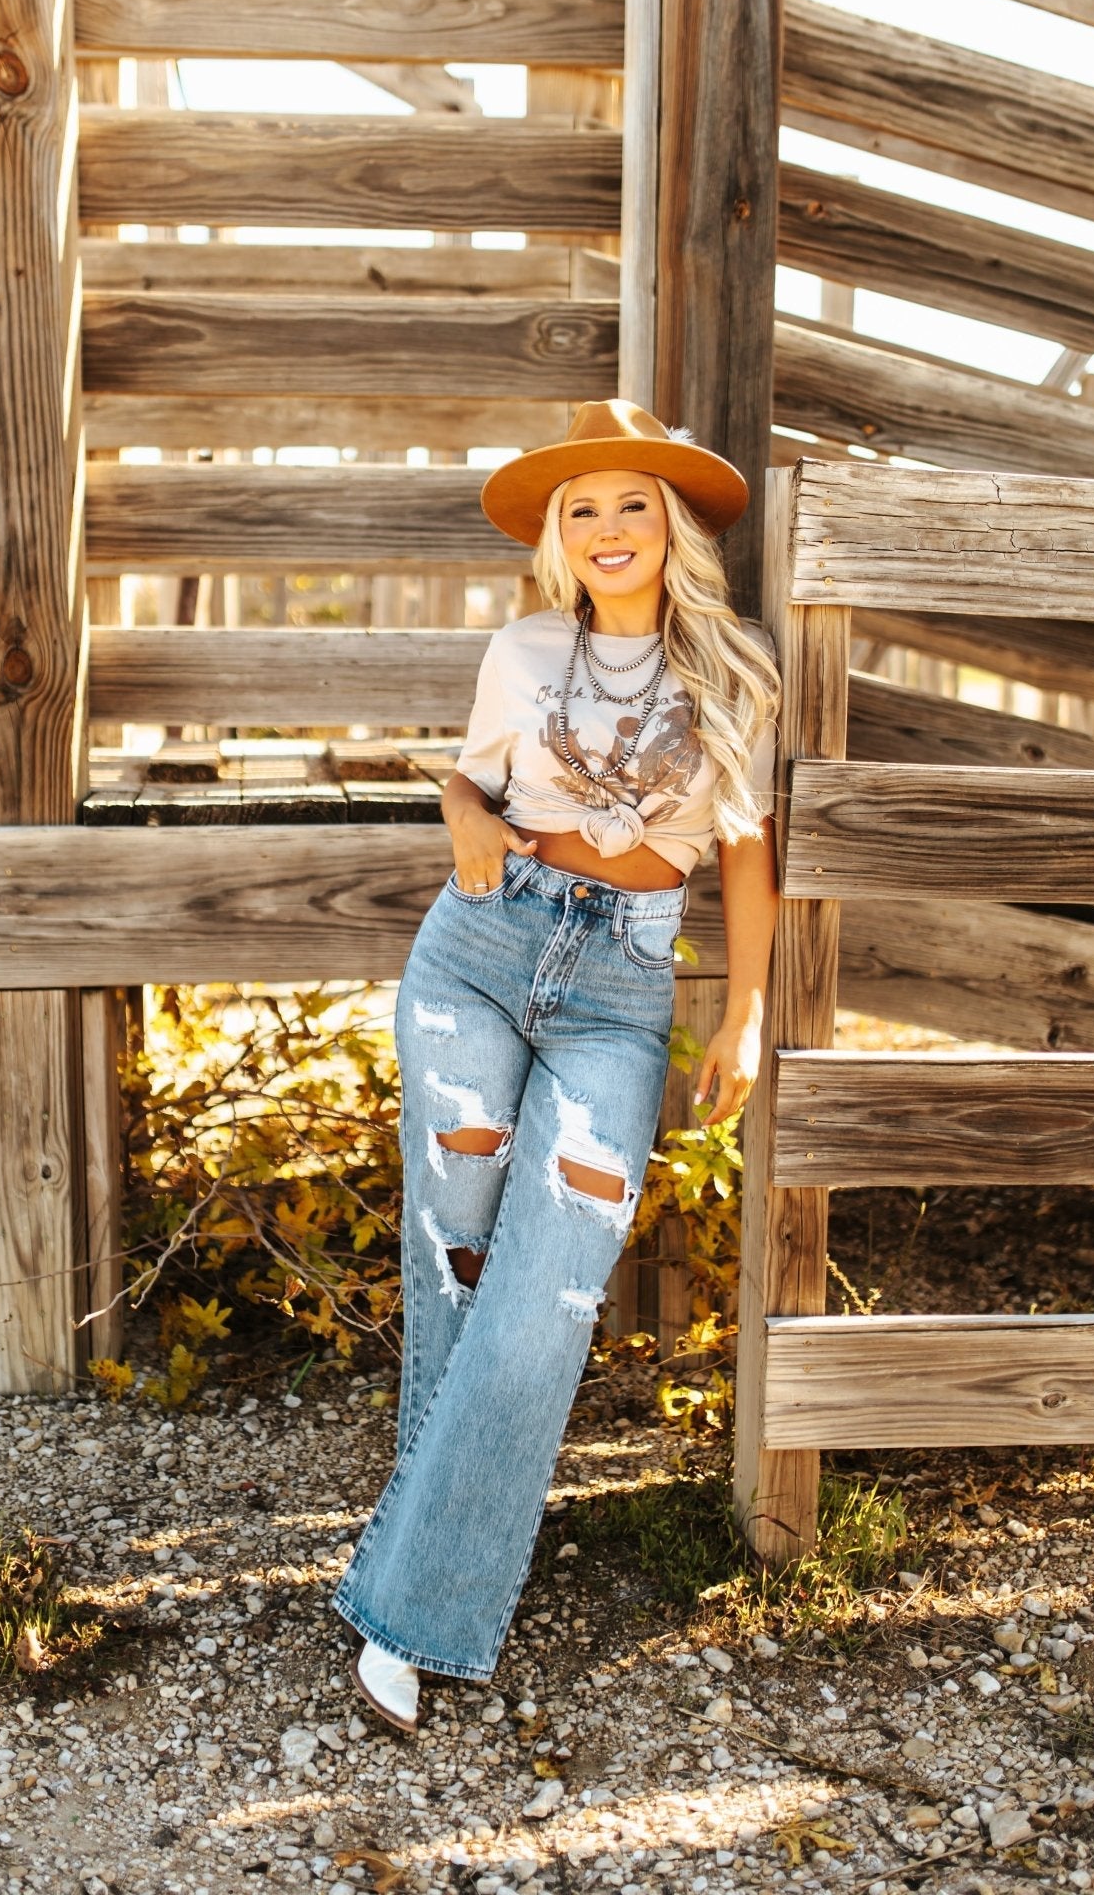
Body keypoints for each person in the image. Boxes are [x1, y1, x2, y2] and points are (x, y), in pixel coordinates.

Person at [332, 400, 782, 1732]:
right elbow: (466, 786)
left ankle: (404, 1593)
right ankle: (422, 1607)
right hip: (479, 950)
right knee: (456, 1262)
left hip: (621, 990)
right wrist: (463, 820)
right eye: (582, 509)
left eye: (632, 503)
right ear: (558, 537)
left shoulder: (736, 667)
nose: (607, 528)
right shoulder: (522, 648)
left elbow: (745, 854)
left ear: (672, 526)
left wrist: (746, 1012)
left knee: (548, 1293)